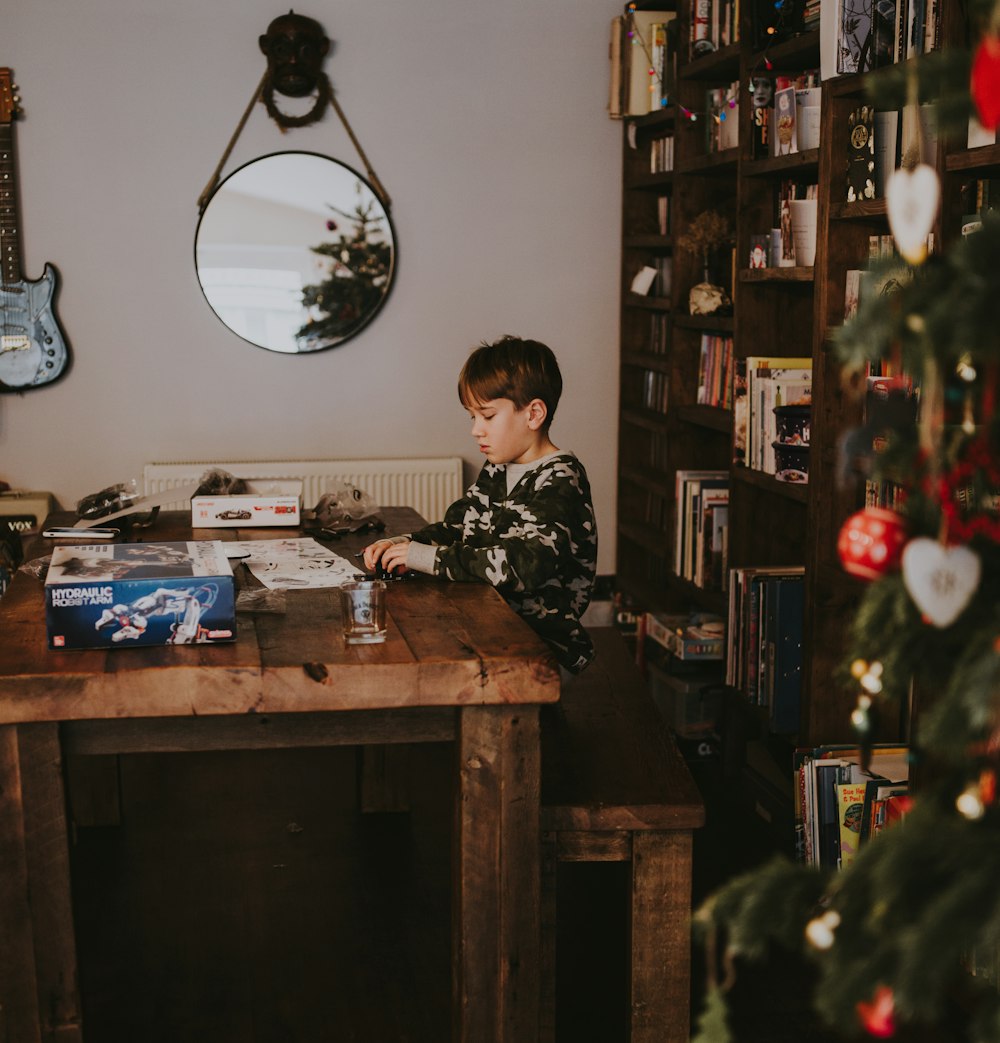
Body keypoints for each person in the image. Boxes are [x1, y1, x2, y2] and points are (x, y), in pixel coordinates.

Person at [363, 335, 598, 674]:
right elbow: (457, 529)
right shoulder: (497, 468)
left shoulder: (561, 479)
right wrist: (405, 545)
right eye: (471, 417)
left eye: (487, 416)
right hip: (488, 625)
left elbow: (521, 566)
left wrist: (427, 558)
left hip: (538, 650)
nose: (476, 430)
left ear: (533, 414)